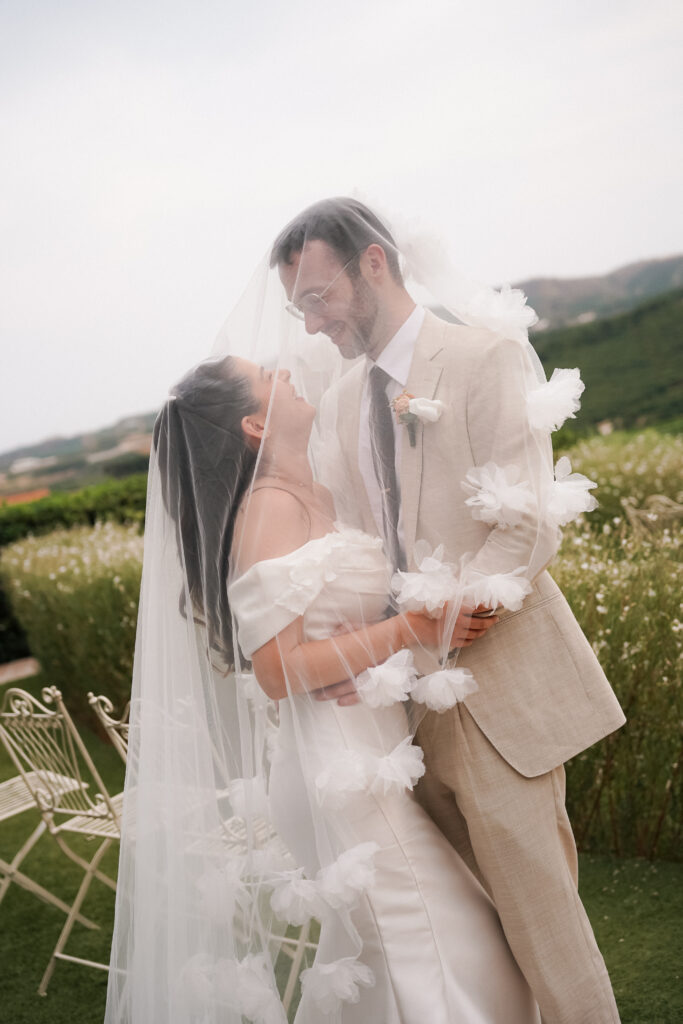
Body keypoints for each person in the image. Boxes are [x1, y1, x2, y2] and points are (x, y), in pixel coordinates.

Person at [268, 197, 626, 1024]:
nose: (312, 323)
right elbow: (363, 545)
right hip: (400, 712)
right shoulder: (348, 394)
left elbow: (526, 525)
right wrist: (366, 650)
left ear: (374, 264)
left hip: (497, 690)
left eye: (318, 296)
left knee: (542, 926)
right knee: (477, 930)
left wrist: (444, 622)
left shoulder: (480, 357)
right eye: (298, 307)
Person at [106, 351, 540, 1023]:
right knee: (438, 938)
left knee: (400, 951)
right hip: (334, 765)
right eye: (269, 376)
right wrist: (410, 631)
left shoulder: (314, 489)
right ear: (255, 423)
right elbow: (277, 671)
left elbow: (333, 623)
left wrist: (395, 633)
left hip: (371, 749)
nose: (286, 371)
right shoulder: (267, 512)